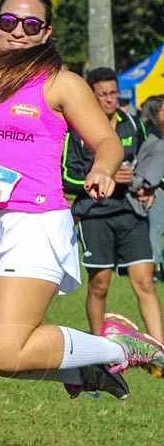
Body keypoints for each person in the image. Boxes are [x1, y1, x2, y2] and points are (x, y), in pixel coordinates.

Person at [0, 0, 164, 400]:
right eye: (9, 22)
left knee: (3, 351)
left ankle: (123, 346)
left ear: (46, 32)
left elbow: (108, 142)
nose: (18, 31)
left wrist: (102, 169)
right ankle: (82, 373)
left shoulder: (61, 82)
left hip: (35, 223)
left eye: (30, 24)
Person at [63, 67, 163, 347]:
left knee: (145, 282)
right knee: (100, 285)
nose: (109, 100)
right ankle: (99, 352)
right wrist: (102, 175)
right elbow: (65, 177)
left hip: (131, 213)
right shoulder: (77, 131)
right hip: (95, 215)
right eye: (102, 95)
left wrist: (150, 187)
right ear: (91, 97)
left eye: (113, 93)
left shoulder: (132, 124)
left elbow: (152, 157)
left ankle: (159, 353)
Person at [137, 94, 164, 282]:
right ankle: (156, 270)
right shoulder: (149, 134)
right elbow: (145, 164)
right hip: (155, 189)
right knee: (155, 230)